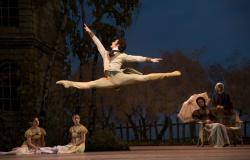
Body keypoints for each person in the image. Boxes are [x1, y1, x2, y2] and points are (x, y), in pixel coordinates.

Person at [56, 24, 181, 89]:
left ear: (118, 44)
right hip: (108, 79)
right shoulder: (105, 53)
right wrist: (89, 32)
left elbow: (137, 58)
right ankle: (68, 83)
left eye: (114, 41)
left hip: (119, 77)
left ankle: (170, 74)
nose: (112, 41)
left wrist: (150, 59)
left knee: (144, 79)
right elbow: (97, 42)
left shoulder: (122, 55)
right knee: (89, 84)